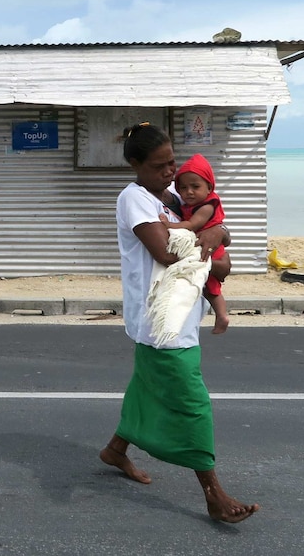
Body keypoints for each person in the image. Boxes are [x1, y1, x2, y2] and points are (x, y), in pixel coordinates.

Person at [99, 122, 259, 524]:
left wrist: (219, 231)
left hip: (182, 313)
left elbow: (217, 234)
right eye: (160, 166)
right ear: (136, 164)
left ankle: (116, 450)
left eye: (172, 162)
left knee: (146, 388)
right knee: (191, 404)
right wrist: (215, 250)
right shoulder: (134, 199)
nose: (171, 172)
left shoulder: (171, 198)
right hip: (161, 322)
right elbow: (169, 253)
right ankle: (213, 492)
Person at [159, 153, 230, 334]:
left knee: (211, 286)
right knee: (205, 284)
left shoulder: (206, 206)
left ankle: (222, 315)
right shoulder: (193, 202)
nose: (188, 192)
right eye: (183, 188)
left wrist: (169, 225)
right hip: (205, 245)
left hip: (211, 248)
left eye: (195, 187)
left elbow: (193, 224)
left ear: (209, 188)